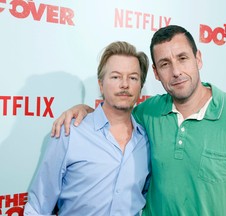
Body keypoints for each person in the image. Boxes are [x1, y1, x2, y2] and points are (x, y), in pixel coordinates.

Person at [51, 25, 226, 215]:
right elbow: (115, 114)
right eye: (165, 64)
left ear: (198, 58)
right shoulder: (147, 113)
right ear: (156, 72)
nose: (176, 71)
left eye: (182, 58)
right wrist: (83, 109)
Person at [24, 41, 151, 215]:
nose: (124, 84)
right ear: (101, 84)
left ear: (140, 87)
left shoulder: (146, 140)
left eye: (133, 78)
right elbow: (38, 206)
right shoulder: (70, 131)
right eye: (115, 77)